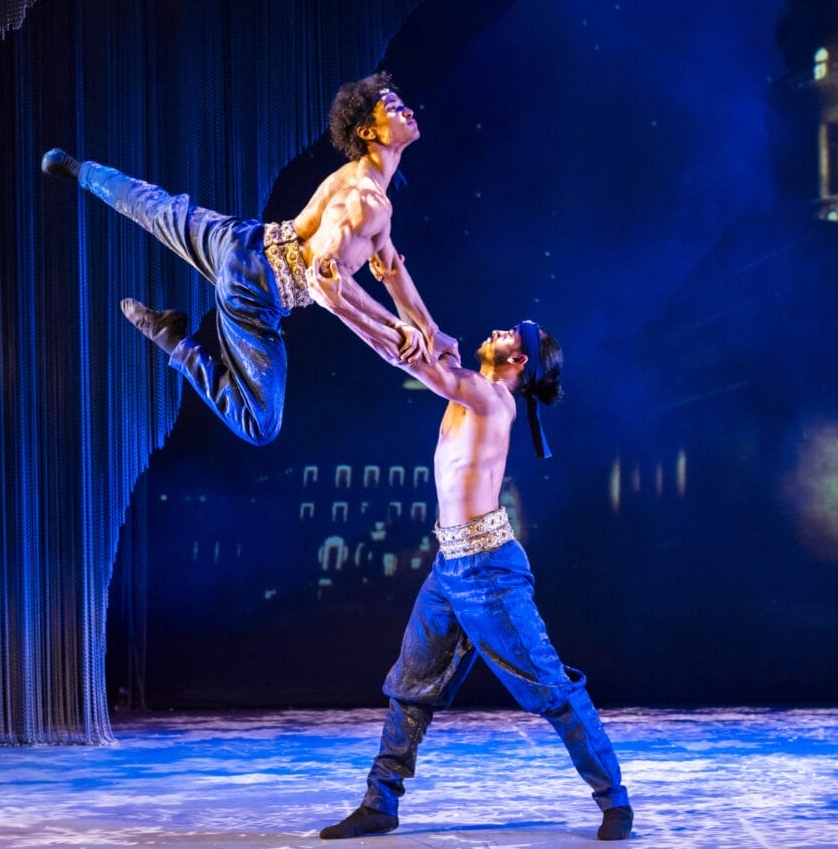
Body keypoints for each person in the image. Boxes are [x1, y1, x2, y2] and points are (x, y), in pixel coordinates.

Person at [308, 269, 633, 841]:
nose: (500, 331)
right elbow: (423, 330)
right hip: (449, 568)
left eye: (512, 336)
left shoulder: (489, 397)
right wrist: (391, 272)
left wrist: (337, 301)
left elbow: (405, 352)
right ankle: (380, 804)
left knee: (550, 686)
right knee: (410, 684)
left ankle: (615, 802)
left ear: (519, 362)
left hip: (488, 571)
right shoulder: (470, 381)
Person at [40, 71, 455, 446]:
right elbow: (324, 283)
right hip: (255, 291)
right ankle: (174, 342)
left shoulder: (363, 184)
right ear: (368, 131)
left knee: (158, 209)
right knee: (260, 424)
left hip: (243, 241)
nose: (408, 111)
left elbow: (391, 269)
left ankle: (78, 169)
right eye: (395, 108)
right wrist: (393, 328)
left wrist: (430, 330)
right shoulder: (366, 201)